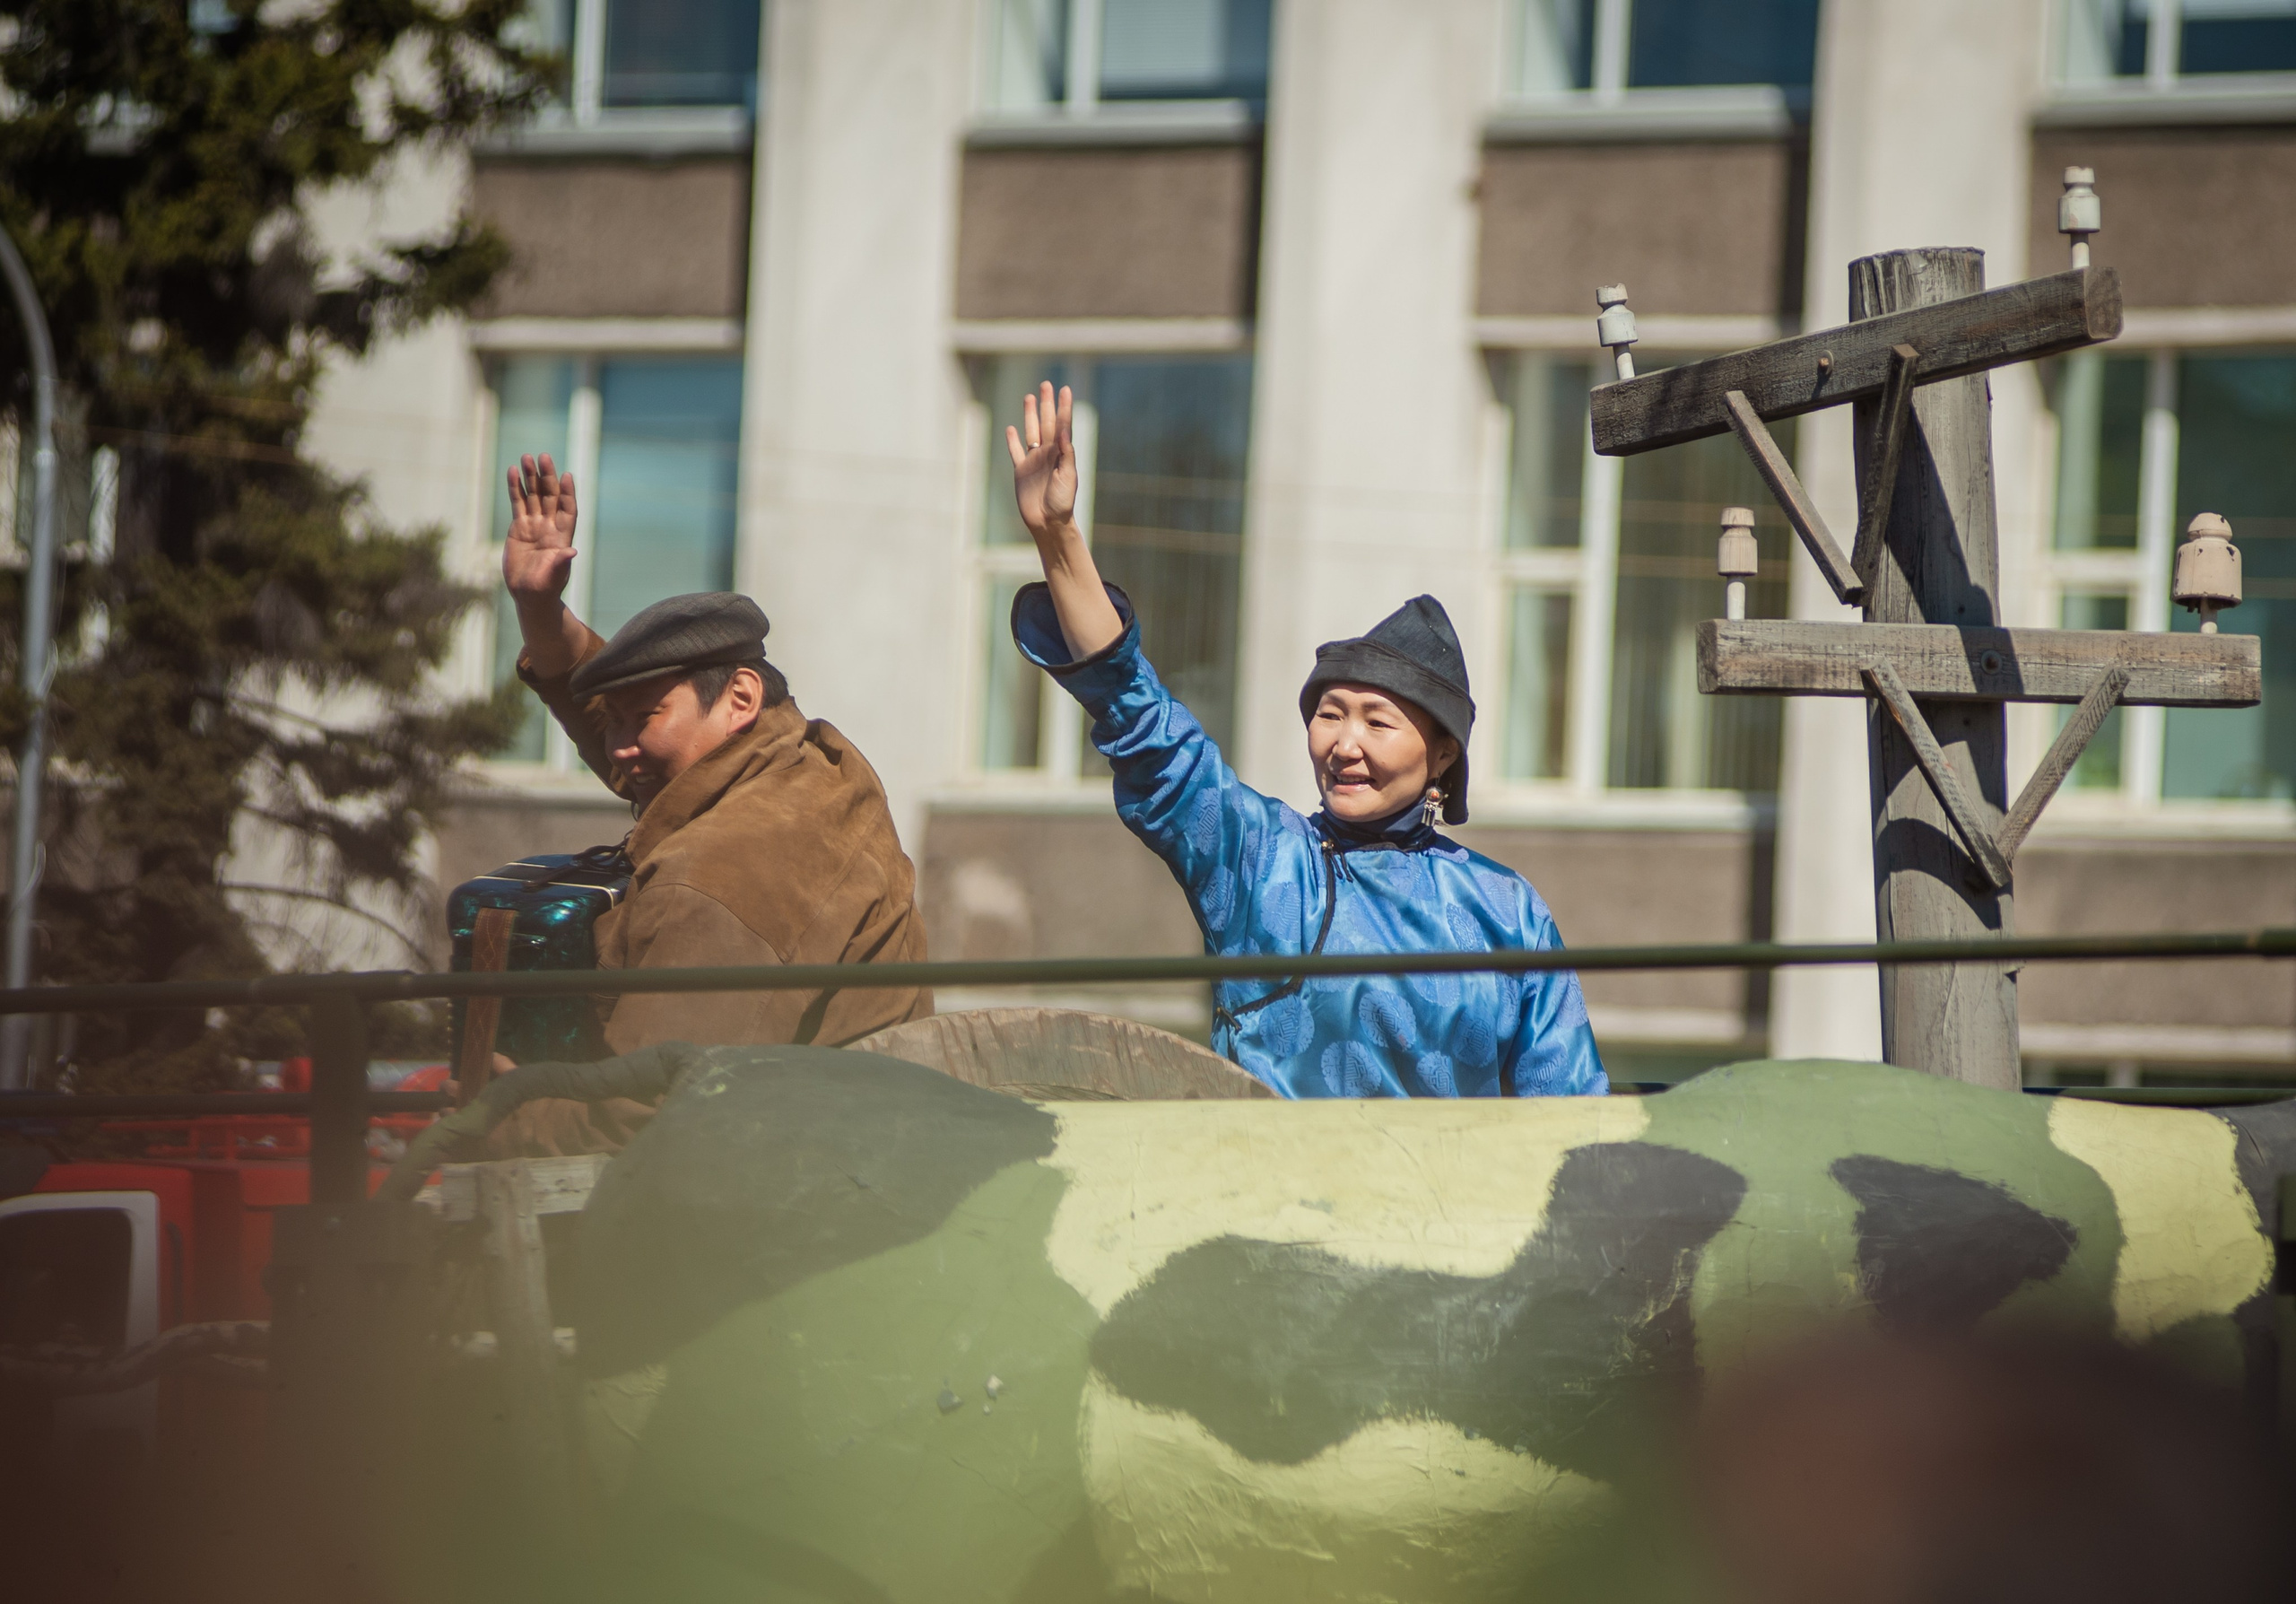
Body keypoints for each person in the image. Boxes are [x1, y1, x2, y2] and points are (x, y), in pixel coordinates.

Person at [1004, 383, 1604, 1098]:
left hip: (1454, 1180)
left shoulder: (1508, 911)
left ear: (1444, 753)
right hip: (1261, 1175)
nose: (1345, 744)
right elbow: (1140, 719)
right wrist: (1058, 537)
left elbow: (1571, 1118)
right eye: (1329, 714)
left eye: (1377, 721)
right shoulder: (1259, 859)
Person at [485, 452, 932, 1153]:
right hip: (856, 1144)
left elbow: (647, 1121)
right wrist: (539, 611)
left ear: (740, 699)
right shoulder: (803, 766)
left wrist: (507, 1119)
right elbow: (635, 740)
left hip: (795, 1182)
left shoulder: (718, 878)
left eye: (644, 717)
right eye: (616, 721)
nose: (622, 748)